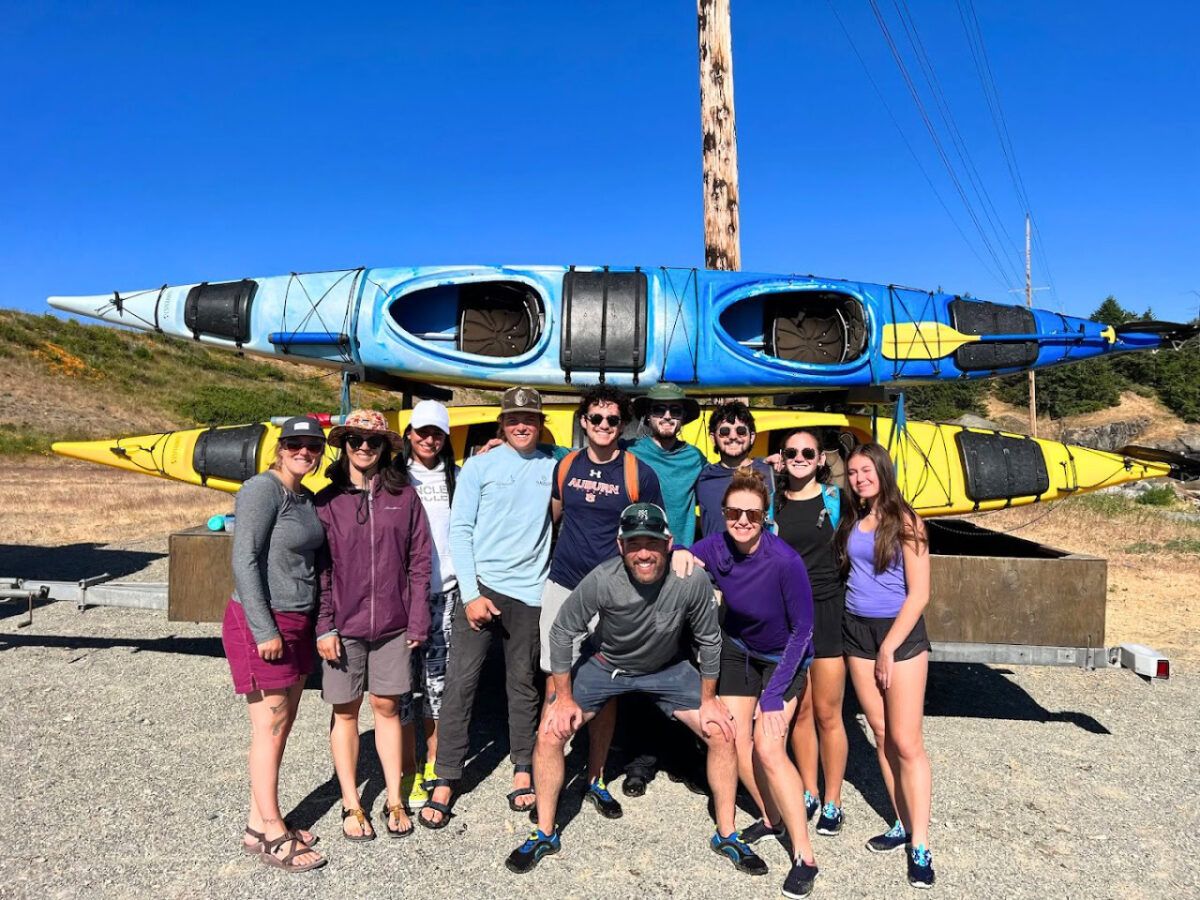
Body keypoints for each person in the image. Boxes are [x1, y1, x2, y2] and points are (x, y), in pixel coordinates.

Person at [505, 503, 744, 877]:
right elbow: (563, 630)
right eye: (634, 544)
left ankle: (727, 833)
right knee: (550, 732)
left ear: (668, 544)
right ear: (620, 546)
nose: (644, 552)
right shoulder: (603, 578)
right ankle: (544, 832)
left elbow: (709, 640)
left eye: (652, 542)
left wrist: (710, 700)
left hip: (666, 668)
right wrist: (563, 698)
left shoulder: (691, 581)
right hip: (605, 665)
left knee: (722, 730)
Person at [420, 386, 560, 828]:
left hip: (532, 592)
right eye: (515, 418)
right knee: (461, 683)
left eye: (531, 419)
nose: (522, 425)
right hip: (482, 589)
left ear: (541, 424)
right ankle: (446, 776)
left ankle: (523, 767)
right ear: (502, 422)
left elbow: (591, 456)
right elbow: (460, 531)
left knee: (523, 685)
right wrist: (470, 593)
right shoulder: (480, 465)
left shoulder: (554, 466)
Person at [678, 468, 820, 898]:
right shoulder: (717, 545)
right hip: (739, 648)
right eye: (735, 512)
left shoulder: (784, 561)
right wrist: (683, 551)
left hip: (783, 658)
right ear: (723, 513)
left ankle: (804, 855)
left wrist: (774, 694)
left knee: (770, 746)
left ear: (766, 517)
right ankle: (770, 815)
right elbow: (687, 549)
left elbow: (804, 630)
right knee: (730, 735)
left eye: (752, 515)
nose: (743, 520)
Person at [539, 384, 663, 819]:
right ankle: (547, 779)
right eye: (596, 418)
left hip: (613, 591)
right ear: (584, 422)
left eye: (613, 419)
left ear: (623, 423)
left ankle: (595, 779)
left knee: (606, 688)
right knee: (556, 683)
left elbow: (651, 536)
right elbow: (554, 516)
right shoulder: (566, 465)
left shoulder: (638, 472)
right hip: (564, 584)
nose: (604, 426)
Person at [313, 410, 431, 841]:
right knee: (345, 710)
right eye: (356, 440)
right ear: (344, 443)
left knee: (387, 708)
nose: (365, 447)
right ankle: (351, 801)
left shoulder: (405, 498)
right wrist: (324, 626)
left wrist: (418, 618)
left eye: (374, 441)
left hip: (395, 627)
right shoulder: (326, 502)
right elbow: (320, 572)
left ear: (386, 449)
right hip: (343, 627)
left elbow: (419, 563)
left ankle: (394, 798)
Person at [221, 415, 327, 872]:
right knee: (268, 727)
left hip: (298, 619)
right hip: (264, 620)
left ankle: (255, 825)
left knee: (282, 727)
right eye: (295, 444)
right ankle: (274, 833)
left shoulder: (303, 496)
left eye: (313, 446)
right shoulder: (263, 489)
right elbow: (244, 559)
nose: (304, 451)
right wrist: (264, 629)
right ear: (280, 448)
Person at [837, 443, 935, 889]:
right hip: (857, 631)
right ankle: (900, 821)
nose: (859, 478)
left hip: (898, 636)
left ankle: (921, 843)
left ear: (882, 471)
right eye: (853, 473)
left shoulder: (908, 522)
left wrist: (889, 647)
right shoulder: (855, 519)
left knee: (906, 740)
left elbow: (919, 594)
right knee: (879, 733)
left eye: (866, 471)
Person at [774, 429, 850, 837]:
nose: (799, 457)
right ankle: (808, 789)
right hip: (787, 616)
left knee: (828, 713)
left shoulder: (837, 500)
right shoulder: (774, 500)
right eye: (791, 452)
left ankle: (833, 799)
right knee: (800, 712)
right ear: (782, 458)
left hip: (826, 610)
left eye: (808, 452)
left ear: (822, 459)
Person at [398, 399, 459, 811]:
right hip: (403, 597)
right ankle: (406, 767)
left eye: (436, 432)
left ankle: (434, 761)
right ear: (409, 434)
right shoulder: (395, 477)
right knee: (402, 688)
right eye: (421, 431)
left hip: (447, 593)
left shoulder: (459, 476)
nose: (428, 439)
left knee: (438, 687)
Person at [627, 383, 705, 548]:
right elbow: (587, 454)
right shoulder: (629, 450)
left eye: (675, 411)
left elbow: (724, 473)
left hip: (679, 554)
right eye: (659, 409)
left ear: (683, 417)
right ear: (648, 415)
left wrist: (762, 462)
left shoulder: (695, 457)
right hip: (638, 551)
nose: (667, 416)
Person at [695, 401, 776, 538]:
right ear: (713, 438)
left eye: (741, 431)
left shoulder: (770, 473)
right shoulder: (702, 477)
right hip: (714, 558)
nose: (733, 436)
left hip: (759, 558)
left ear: (752, 437)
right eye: (725, 431)